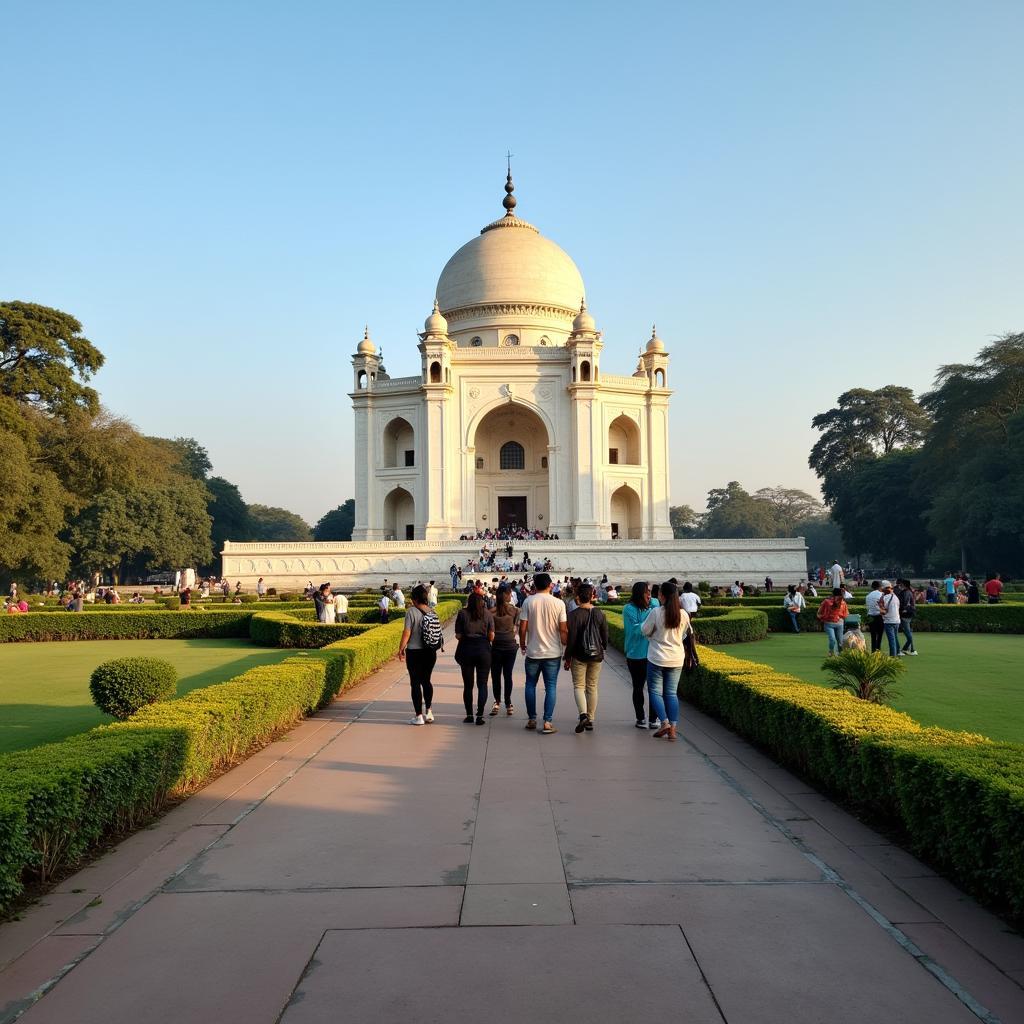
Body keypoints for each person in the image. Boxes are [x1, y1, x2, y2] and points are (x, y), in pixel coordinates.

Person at [518, 572, 568, 735]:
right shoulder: (559, 603)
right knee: (551, 686)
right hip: (553, 652)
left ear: (535, 586)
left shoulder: (528, 601)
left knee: (530, 685)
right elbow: (563, 629)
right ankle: (547, 721)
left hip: (533, 651)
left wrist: (523, 644)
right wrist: (565, 646)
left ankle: (532, 719)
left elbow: (523, 627)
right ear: (549, 585)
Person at [641, 581, 690, 741]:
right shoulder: (683, 614)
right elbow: (684, 634)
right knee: (671, 693)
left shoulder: (656, 612)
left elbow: (644, 630)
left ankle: (665, 723)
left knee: (655, 692)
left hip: (657, 657)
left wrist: (652, 635)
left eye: (659, 593)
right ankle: (673, 729)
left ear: (663, 596)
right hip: (676, 658)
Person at [564, 582, 609, 733]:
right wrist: (602, 649)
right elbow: (605, 637)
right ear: (592, 596)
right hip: (596, 655)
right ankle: (590, 719)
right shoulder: (599, 613)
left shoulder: (573, 615)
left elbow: (571, 640)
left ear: (578, 597)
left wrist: (567, 657)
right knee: (592, 686)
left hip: (579, 655)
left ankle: (583, 715)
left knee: (579, 686)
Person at [398, 584, 439, 725]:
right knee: (426, 681)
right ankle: (429, 712)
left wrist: (401, 648)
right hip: (430, 651)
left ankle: (418, 716)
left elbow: (407, 632)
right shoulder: (432, 611)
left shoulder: (411, 611)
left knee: (415, 683)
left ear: (415, 599)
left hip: (415, 652)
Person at [622, 582, 660, 729]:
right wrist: (652, 619)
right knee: (638, 687)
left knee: (654, 689)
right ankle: (640, 718)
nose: (649, 595)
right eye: (646, 592)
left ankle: (653, 718)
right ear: (639, 594)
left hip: (653, 653)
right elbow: (637, 630)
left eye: (649, 592)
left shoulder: (654, 603)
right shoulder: (629, 609)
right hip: (635, 654)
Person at [454, 592, 494, 724]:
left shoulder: (462, 613)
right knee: (482, 684)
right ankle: (480, 715)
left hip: (466, 649)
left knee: (468, 685)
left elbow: (458, 636)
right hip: (483, 650)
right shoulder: (487, 614)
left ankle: (469, 714)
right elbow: (491, 636)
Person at [489, 586, 519, 716]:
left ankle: (497, 702)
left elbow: (488, 632)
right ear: (507, 595)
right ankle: (508, 703)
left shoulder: (490, 612)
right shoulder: (515, 610)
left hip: (495, 646)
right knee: (508, 675)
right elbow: (516, 629)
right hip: (510, 645)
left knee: (496, 676)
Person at [816, 588, 849, 655]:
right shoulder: (827, 601)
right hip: (829, 623)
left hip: (839, 623)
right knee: (833, 639)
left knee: (840, 640)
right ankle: (831, 651)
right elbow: (820, 612)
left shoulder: (843, 602)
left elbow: (845, 614)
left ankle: (840, 653)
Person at [876, 581, 901, 656]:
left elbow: (881, 609)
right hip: (897, 620)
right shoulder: (895, 597)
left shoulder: (884, 597)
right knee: (895, 638)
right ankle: (897, 652)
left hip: (888, 621)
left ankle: (893, 657)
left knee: (892, 640)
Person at [896, 579, 917, 655]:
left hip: (905, 614)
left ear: (904, 585)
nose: (900, 586)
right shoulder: (910, 592)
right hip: (909, 613)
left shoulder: (905, 592)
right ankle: (907, 648)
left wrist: (902, 610)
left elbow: (904, 603)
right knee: (908, 632)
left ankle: (912, 650)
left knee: (908, 632)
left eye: (901, 584)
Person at [864, 580, 884, 653]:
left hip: (870, 616)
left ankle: (873, 651)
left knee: (873, 635)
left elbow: (867, 607)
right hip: (879, 616)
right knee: (880, 635)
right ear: (880, 586)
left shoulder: (868, 596)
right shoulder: (882, 594)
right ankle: (878, 650)